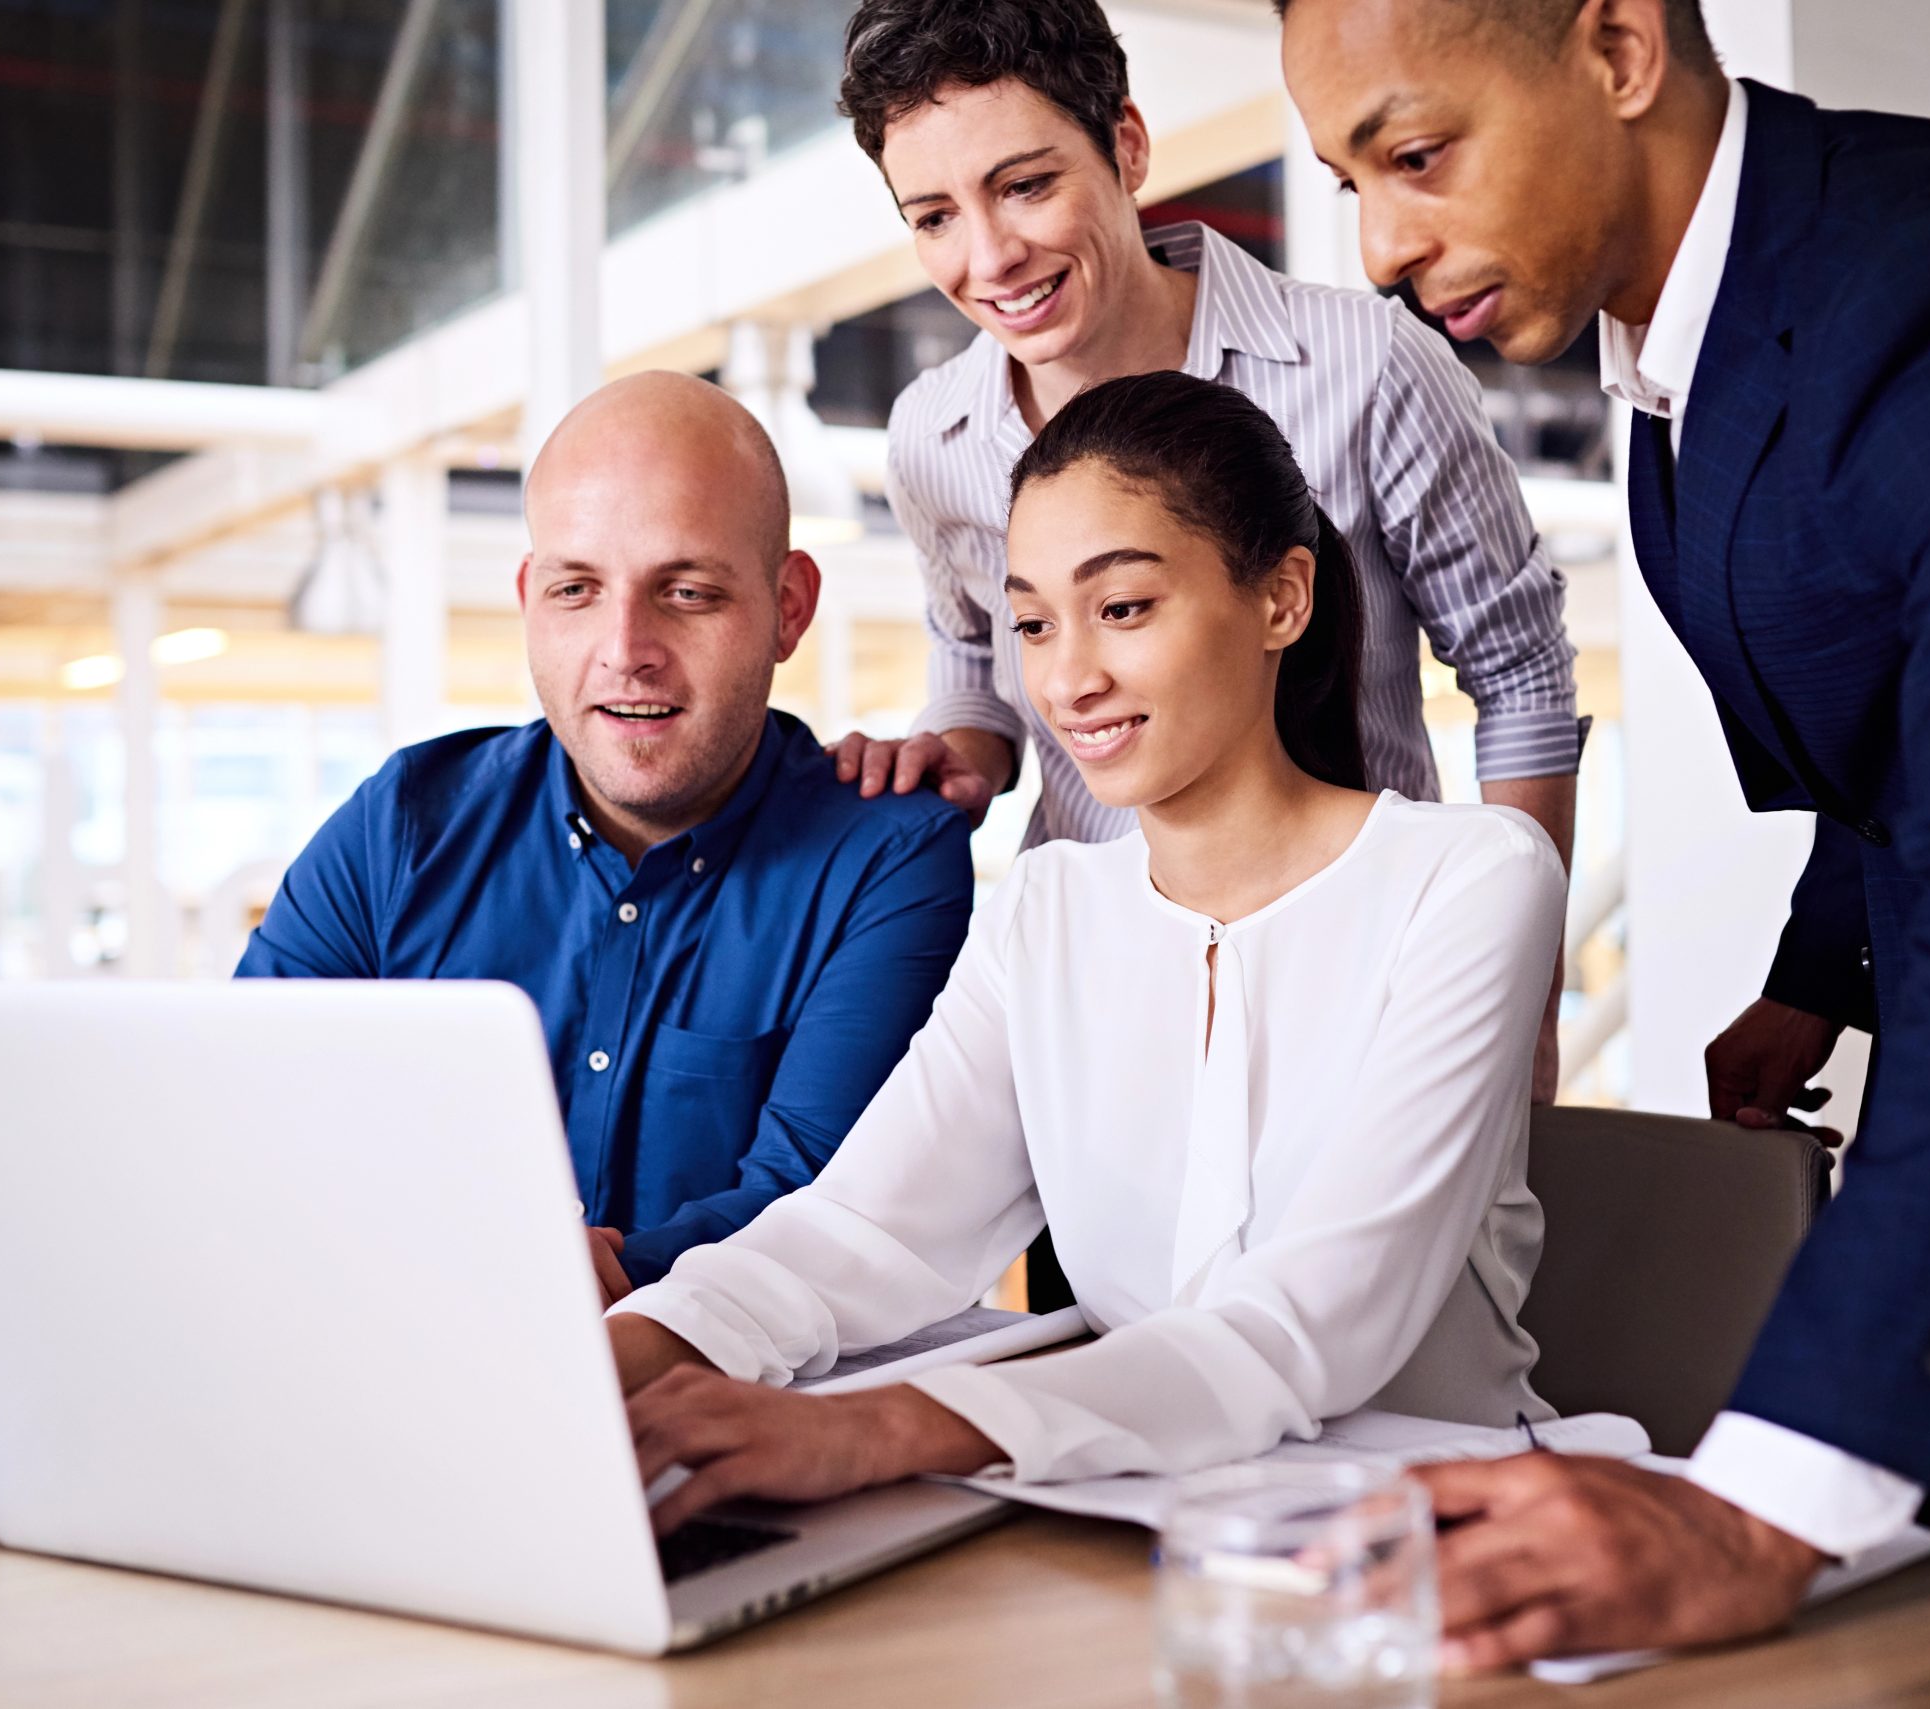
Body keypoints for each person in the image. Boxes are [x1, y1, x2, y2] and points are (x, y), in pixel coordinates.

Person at [1279, 0, 1930, 1664]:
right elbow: (1921, 727)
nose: (1382, 245)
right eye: (1351, 181)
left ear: (1619, 47)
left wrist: (1759, 1503)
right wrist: (1821, 968)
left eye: (1419, 156)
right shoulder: (1692, 334)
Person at [604, 370, 1566, 1533]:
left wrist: (878, 1424)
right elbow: (866, 1227)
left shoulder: (1470, 879)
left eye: (1123, 609)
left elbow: (1308, 1323)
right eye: (1032, 622)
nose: (1067, 679)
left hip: (1437, 1534)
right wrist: (616, 1354)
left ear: (1281, 598)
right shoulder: (1048, 906)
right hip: (1130, 1521)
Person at [824, 0, 1582, 1094]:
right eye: (932, 215)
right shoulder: (931, 437)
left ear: (1126, 146)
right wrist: (955, 749)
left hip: (1355, 985)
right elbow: (974, 662)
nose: (988, 256)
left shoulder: (1364, 368)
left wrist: (1520, 1002)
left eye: (1026, 184)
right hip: (1096, 1004)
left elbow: (1519, 673)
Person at [237, 374, 975, 1304]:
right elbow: (247, 1113)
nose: (625, 646)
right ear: (529, 598)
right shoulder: (400, 829)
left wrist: (587, 1274)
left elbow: (816, 1204)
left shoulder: (887, 858)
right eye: (576, 589)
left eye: (689, 591)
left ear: (789, 607)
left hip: (739, 1402)